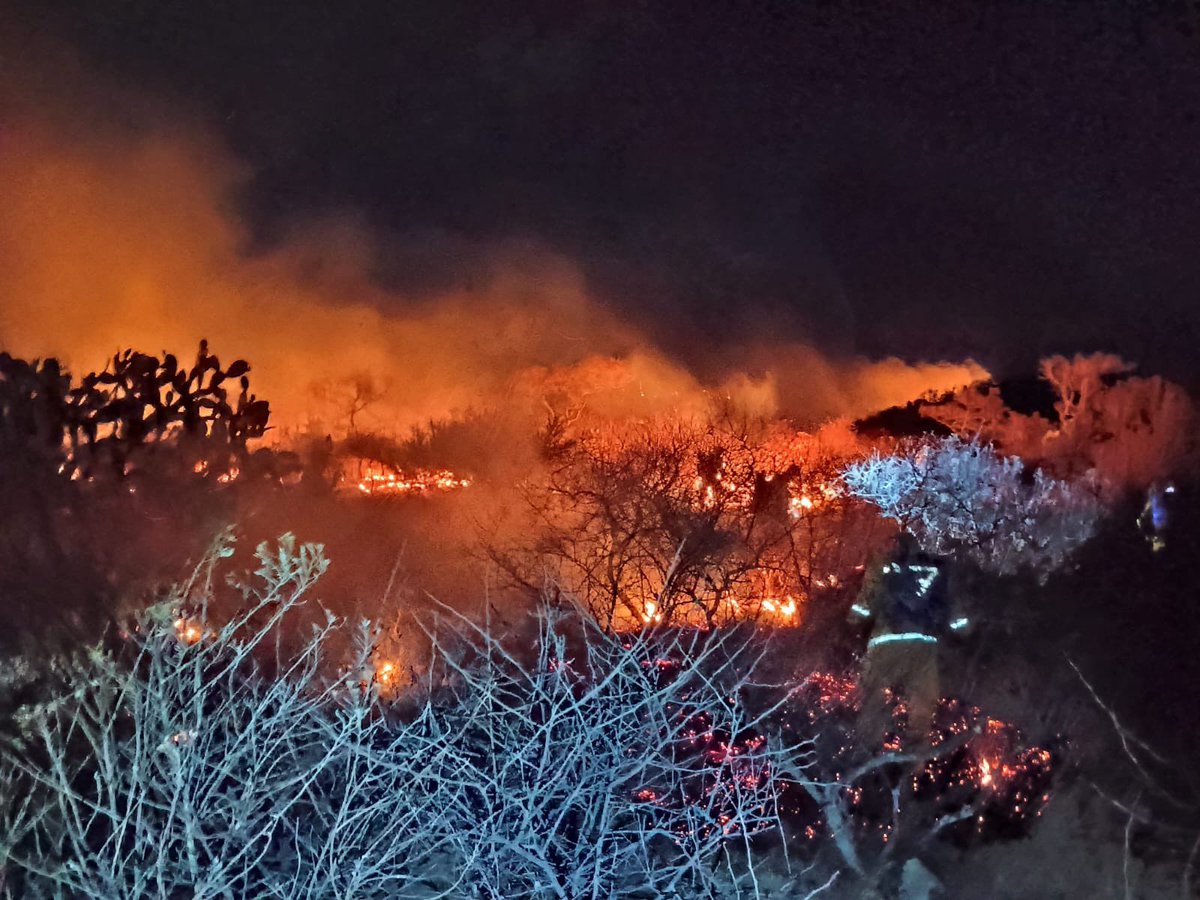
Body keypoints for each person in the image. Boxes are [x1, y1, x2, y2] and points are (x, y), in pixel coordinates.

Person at [850, 533, 969, 750]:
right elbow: (954, 605)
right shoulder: (940, 566)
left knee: (872, 698)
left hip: (885, 641)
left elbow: (869, 596)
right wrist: (963, 631)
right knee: (922, 708)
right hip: (924, 645)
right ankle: (913, 759)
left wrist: (853, 620)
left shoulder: (886, 560)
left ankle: (865, 751)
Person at [1137, 481, 1175, 552]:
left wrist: (1143, 514)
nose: (1154, 542)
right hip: (1161, 512)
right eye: (1156, 544)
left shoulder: (1153, 534)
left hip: (1159, 513)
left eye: (1154, 544)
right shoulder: (1164, 528)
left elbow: (1150, 503)